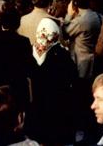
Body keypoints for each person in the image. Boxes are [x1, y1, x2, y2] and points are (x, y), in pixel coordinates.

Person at [25, 17, 78, 145]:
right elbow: (73, 76)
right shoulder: (61, 53)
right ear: (55, 34)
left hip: (35, 103)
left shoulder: (29, 52)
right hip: (57, 105)